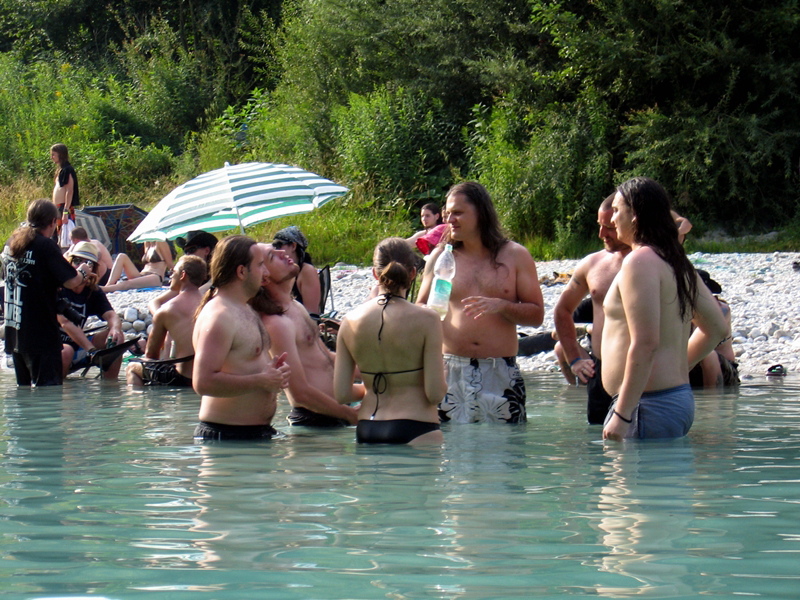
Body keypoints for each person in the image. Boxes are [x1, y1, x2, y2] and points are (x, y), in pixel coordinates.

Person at [601, 177, 728, 441]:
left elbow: (646, 342)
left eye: (616, 210)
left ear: (634, 214)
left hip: (645, 407)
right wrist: (680, 366)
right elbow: (716, 326)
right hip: (673, 400)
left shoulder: (639, 261)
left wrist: (622, 414)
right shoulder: (674, 259)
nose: (612, 220)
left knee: (627, 484)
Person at [416, 182, 545, 423]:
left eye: (458, 213)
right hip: (449, 370)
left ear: (481, 213)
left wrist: (503, 306)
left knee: (506, 454)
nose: (449, 219)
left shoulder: (515, 256)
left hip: (500, 371)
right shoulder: (440, 257)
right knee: (449, 455)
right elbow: (419, 309)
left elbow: (537, 316)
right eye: (447, 213)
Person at [335, 238, 447, 444]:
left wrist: (373, 385)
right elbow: (435, 394)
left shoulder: (349, 321)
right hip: (416, 427)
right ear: (413, 273)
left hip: (368, 427)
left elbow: (342, 394)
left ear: (375, 274)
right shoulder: (428, 319)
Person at [192, 235, 291, 441]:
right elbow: (203, 382)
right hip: (226, 438)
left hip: (252, 435)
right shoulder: (219, 316)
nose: (266, 272)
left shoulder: (245, 307)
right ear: (241, 271)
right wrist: (261, 380)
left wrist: (272, 374)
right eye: (260, 265)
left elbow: (243, 363)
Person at [253, 243, 360, 427]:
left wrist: (377, 377)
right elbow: (299, 394)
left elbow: (327, 358)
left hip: (336, 411)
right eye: (273, 256)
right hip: (315, 420)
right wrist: (350, 415)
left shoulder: (295, 306)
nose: (283, 253)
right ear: (264, 277)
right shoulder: (275, 322)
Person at [553, 194, 632, 424]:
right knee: (598, 448)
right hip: (601, 371)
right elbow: (562, 310)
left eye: (609, 228)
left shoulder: (654, 262)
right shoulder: (593, 264)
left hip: (646, 371)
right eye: (600, 226)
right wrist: (574, 358)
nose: (601, 235)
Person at [3, 199, 90, 386]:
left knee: (24, 393)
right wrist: (84, 271)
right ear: (52, 222)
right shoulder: (44, 245)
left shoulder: (10, 243)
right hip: (41, 335)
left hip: (15, 333)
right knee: (49, 393)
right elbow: (71, 281)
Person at [126, 255, 207, 387]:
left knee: (132, 367)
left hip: (183, 378)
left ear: (183, 275)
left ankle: (142, 405)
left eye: (173, 272)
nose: (170, 276)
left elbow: (151, 355)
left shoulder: (167, 310)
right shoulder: (210, 304)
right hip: (207, 377)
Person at [58, 242, 125, 380]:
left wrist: (115, 329)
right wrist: (91, 350)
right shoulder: (58, 288)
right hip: (56, 347)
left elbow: (112, 315)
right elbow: (65, 323)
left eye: (88, 263)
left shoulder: (93, 292)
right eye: (77, 261)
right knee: (66, 351)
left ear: (94, 269)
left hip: (80, 346)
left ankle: (110, 391)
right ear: (69, 263)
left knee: (116, 339)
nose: (81, 266)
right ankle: (59, 396)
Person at [688, 270, 740, 388]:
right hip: (687, 366)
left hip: (724, 370)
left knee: (708, 354)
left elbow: (699, 341)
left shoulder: (721, 309)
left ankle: (712, 401)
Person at [148, 230, 217, 314]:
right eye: (186, 251)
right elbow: (154, 302)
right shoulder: (190, 273)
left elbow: (198, 294)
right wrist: (159, 317)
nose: (188, 254)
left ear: (206, 250)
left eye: (192, 249)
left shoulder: (217, 271)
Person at [272, 226, 321, 316]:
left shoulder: (306, 271)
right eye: (273, 247)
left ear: (293, 246)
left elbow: (312, 315)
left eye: (278, 245)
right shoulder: (281, 271)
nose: (276, 250)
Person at [101, 240, 173, 292]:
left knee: (127, 284)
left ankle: (103, 289)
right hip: (142, 274)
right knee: (122, 256)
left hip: (155, 276)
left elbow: (170, 265)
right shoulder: (147, 243)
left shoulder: (161, 242)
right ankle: (108, 285)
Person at [50, 143, 80, 240]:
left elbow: (69, 191)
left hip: (64, 207)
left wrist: (65, 212)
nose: (52, 157)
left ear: (61, 154)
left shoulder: (68, 169)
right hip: (57, 207)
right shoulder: (61, 170)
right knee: (56, 236)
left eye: (54, 154)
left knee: (64, 237)